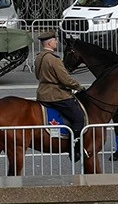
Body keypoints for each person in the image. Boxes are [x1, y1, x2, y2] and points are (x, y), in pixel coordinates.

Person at [34, 32, 86, 161]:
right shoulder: (54, 59)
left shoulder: (39, 57)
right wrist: (79, 87)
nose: (57, 42)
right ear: (50, 43)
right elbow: (66, 80)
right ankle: (75, 148)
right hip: (56, 95)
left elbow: (37, 75)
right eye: (55, 41)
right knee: (79, 118)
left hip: (42, 93)